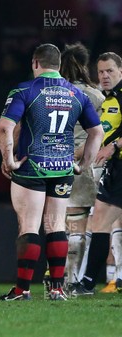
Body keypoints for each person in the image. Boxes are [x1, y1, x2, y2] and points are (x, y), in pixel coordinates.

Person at [0, 44, 103, 301]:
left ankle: (22, 290)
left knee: (29, 226)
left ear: (35, 63)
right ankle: (57, 288)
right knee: (56, 226)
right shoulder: (76, 93)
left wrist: (9, 159)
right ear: (58, 65)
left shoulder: (25, 90)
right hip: (62, 167)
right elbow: (97, 132)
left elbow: (5, 127)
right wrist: (84, 164)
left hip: (32, 166)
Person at [73, 52, 122, 295]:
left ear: (120, 71)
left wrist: (114, 147)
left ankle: (90, 281)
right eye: (101, 71)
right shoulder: (108, 101)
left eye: (109, 71)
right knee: (100, 220)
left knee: (101, 221)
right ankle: (89, 282)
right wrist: (70, 154)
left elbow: (109, 143)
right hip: (116, 170)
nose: (104, 76)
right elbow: (100, 138)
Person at [58, 42, 105, 287]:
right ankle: (73, 279)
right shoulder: (94, 95)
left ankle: (55, 277)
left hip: (50, 164)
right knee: (78, 225)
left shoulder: (51, 92)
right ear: (84, 65)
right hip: (81, 165)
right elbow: (101, 131)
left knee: (56, 225)